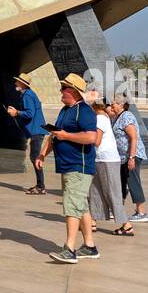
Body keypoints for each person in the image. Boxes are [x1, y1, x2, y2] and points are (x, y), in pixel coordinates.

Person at [41, 73, 100, 264]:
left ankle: (70, 248)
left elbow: (91, 137)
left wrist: (67, 136)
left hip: (79, 165)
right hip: (66, 165)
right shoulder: (65, 110)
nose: (60, 91)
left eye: (63, 88)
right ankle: (89, 246)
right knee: (80, 205)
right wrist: (43, 154)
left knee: (72, 206)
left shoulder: (83, 111)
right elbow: (55, 135)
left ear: (73, 91)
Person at [90, 101, 135, 236]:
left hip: (107, 159)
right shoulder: (103, 118)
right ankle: (92, 221)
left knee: (111, 192)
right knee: (95, 191)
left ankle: (126, 225)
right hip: (99, 159)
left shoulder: (100, 118)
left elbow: (96, 141)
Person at [5, 72, 48, 194]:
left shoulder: (27, 95)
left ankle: (41, 186)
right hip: (36, 130)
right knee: (34, 157)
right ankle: (40, 185)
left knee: (35, 157)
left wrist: (16, 113)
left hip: (36, 130)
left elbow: (30, 113)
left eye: (17, 82)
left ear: (23, 84)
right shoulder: (27, 94)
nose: (15, 83)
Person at [108, 94, 148, 222]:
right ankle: (117, 209)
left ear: (121, 104)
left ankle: (141, 212)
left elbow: (133, 137)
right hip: (122, 157)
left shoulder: (127, 116)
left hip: (132, 155)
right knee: (121, 183)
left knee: (133, 182)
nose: (111, 105)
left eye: (113, 103)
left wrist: (132, 157)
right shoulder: (117, 117)